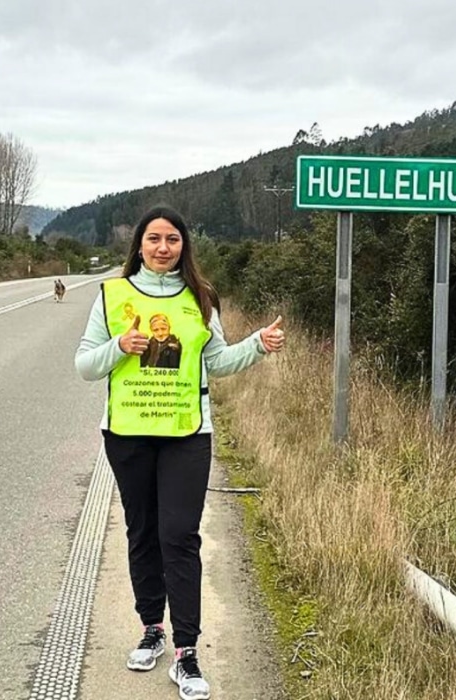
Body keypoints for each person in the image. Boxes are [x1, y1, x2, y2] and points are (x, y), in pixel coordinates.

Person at [74, 205, 285, 700]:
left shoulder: (201, 296)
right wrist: (119, 345)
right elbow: (85, 365)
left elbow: (219, 361)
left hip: (187, 433)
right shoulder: (112, 295)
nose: (163, 247)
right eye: (154, 239)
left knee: (180, 536)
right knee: (143, 531)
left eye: (172, 239)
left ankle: (187, 651)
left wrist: (258, 344)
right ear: (139, 245)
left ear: (184, 245)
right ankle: (152, 628)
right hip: (128, 432)